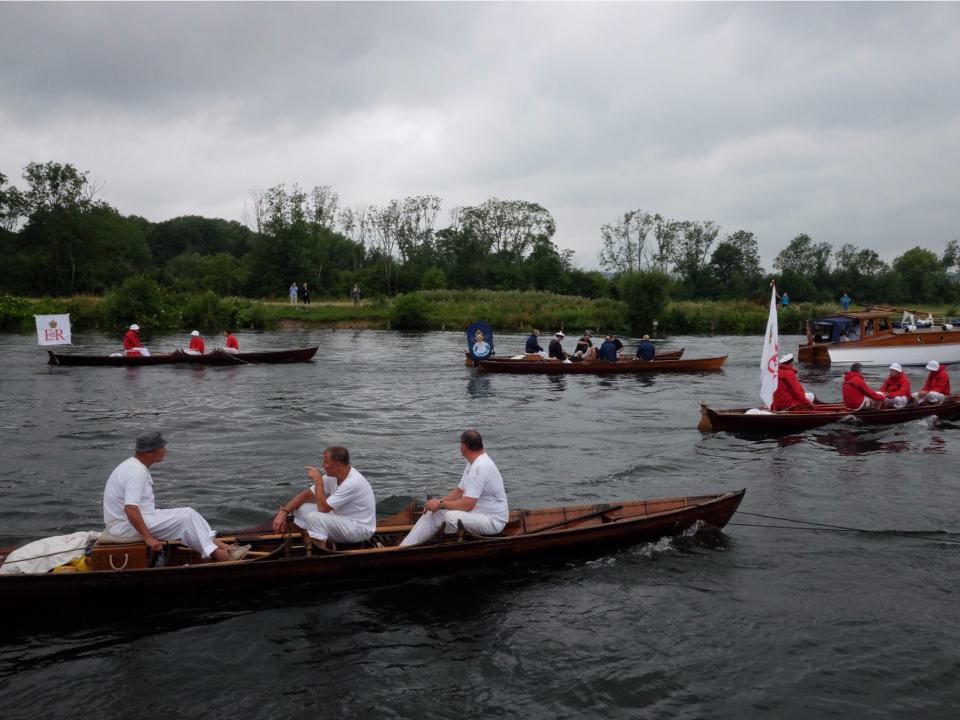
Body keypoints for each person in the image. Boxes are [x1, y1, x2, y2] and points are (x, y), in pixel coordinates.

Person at [102, 432, 248, 562]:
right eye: (161, 447)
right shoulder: (136, 471)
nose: (165, 450)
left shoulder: (135, 466)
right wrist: (148, 538)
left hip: (139, 517)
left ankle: (225, 547)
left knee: (189, 512)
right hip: (123, 525)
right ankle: (218, 554)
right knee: (183, 521)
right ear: (149, 452)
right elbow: (130, 508)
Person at [400, 430, 508, 546]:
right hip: (478, 513)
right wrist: (437, 504)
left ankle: (448, 548)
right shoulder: (472, 464)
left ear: (465, 446)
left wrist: (441, 504)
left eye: (460, 444)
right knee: (433, 512)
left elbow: (468, 505)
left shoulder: (480, 468)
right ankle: (405, 547)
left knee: (450, 517)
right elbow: (459, 491)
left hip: (493, 520)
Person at [272, 446, 376, 548]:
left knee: (313, 517)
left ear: (337, 465)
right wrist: (284, 512)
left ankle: (320, 554)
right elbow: (307, 494)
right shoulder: (333, 476)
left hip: (359, 528)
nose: (322, 465)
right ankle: (313, 540)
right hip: (341, 517)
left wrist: (317, 479)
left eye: (326, 463)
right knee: (300, 509)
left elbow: (323, 508)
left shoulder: (352, 483)